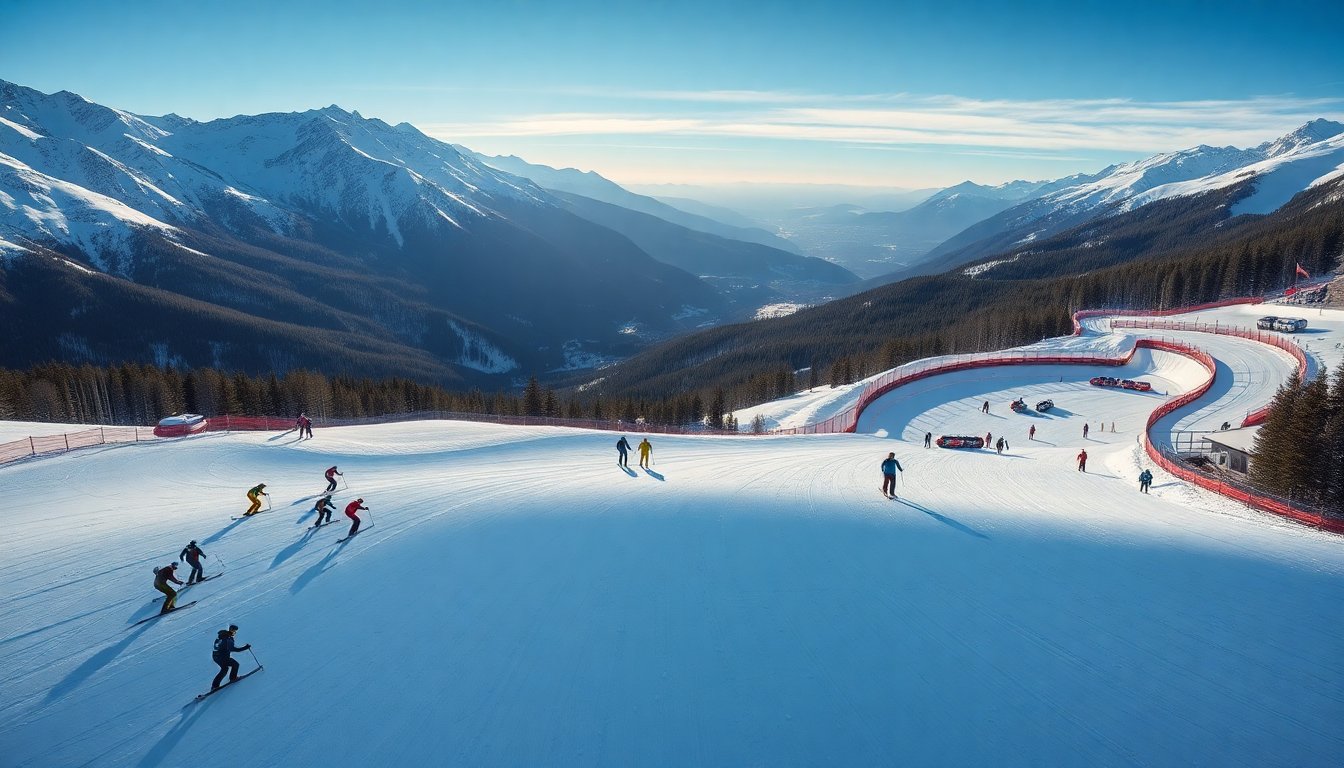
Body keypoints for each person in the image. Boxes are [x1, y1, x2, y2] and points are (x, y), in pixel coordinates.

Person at [211, 624, 251, 690]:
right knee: (235, 664)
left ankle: (214, 686)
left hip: (216, 656)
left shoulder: (221, 636)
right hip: (222, 657)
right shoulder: (227, 638)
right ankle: (233, 678)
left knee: (224, 669)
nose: (235, 633)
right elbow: (233, 649)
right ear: (231, 630)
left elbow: (218, 646)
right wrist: (245, 647)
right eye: (234, 631)